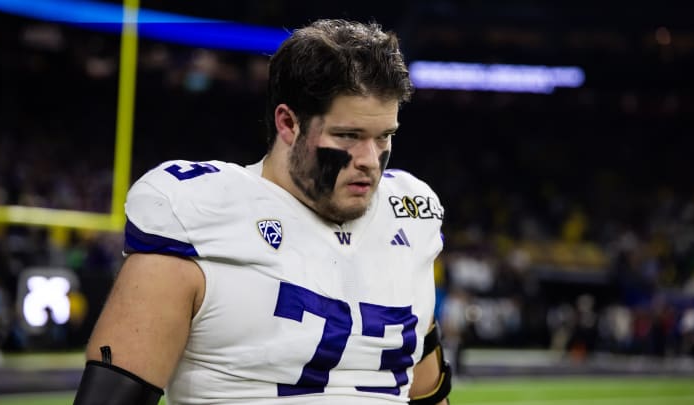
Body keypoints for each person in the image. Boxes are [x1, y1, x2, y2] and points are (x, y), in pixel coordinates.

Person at [73, 19, 451, 405]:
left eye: (384, 136)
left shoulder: (407, 216)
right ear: (288, 123)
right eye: (348, 136)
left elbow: (428, 395)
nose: (371, 161)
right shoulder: (202, 214)